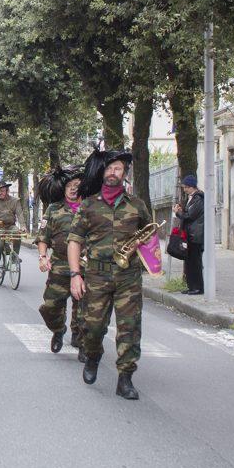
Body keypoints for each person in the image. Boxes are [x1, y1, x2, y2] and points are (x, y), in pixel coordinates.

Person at [67, 150, 153, 401]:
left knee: (130, 328)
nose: (113, 173)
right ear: (101, 172)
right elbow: (74, 241)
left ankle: (125, 378)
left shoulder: (137, 205)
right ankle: (92, 356)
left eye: (118, 168)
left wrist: (152, 262)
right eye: (109, 168)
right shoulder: (88, 205)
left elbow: (148, 236)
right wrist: (75, 275)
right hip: (96, 275)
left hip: (129, 276)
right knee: (92, 327)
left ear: (124, 173)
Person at [36, 166, 85, 358]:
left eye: (77, 185)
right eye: (70, 185)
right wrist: (42, 257)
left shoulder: (88, 208)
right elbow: (43, 236)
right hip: (58, 266)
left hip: (84, 268)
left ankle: (81, 341)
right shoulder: (54, 209)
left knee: (83, 309)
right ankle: (58, 329)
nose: (73, 189)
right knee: (50, 307)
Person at [0, 180, 26, 280]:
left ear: (7, 191)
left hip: (10, 226)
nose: (0, 193)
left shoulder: (15, 201)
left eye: (2, 191)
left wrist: (23, 226)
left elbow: (20, 214)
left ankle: (14, 257)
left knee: (17, 234)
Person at [174, 174, 205, 295]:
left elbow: (190, 216)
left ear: (192, 186)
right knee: (189, 262)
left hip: (195, 235)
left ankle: (198, 287)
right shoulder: (192, 198)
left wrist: (178, 213)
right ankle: (192, 286)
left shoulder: (198, 198)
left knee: (195, 262)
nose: (185, 190)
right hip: (191, 234)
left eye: (186, 187)